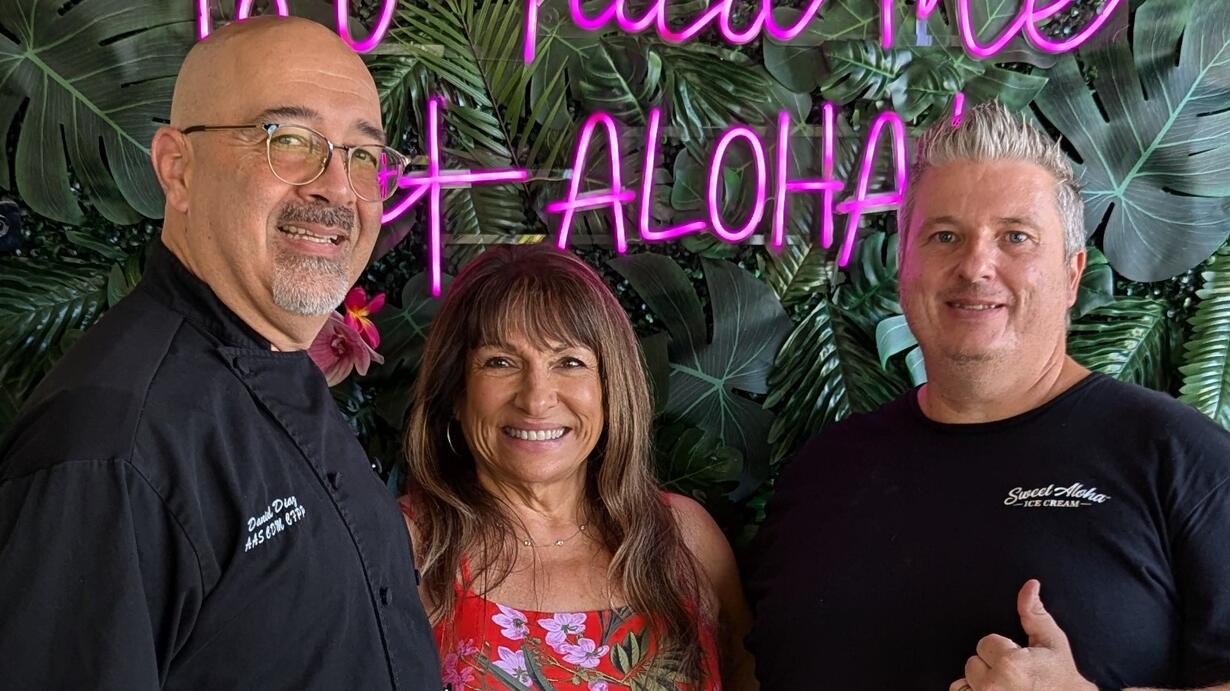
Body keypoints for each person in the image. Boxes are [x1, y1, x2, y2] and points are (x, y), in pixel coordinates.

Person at [0, 17, 440, 689]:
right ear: (177, 168)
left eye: (363, 155)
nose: (337, 188)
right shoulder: (109, 449)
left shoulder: (278, 354)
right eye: (288, 140)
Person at [746, 101, 1230, 691]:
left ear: (1072, 274)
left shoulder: (1182, 460)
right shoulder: (823, 471)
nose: (976, 266)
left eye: (1015, 237)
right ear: (904, 267)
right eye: (945, 236)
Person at [399, 244, 757, 689]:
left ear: (610, 389)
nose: (536, 399)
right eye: (500, 362)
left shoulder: (685, 537)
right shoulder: (408, 545)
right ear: (456, 391)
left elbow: (748, 673)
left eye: (569, 362)